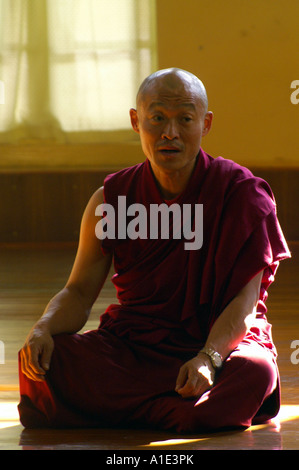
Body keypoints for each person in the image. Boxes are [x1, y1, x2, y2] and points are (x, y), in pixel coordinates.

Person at [18, 68, 291, 433]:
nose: (170, 133)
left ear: (205, 124)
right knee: (45, 362)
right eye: (157, 118)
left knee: (253, 371)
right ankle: (179, 413)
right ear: (136, 121)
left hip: (221, 344)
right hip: (136, 347)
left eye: (185, 119)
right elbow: (80, 292)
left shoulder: (241, 194)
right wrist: (42, 329)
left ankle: (128, 412)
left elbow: (244, 304)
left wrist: (208, 359)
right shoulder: (110, 201)